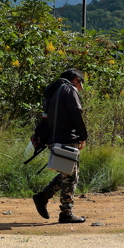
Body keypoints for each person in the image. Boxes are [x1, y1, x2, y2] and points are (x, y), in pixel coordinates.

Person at [32, 68, 88, 223]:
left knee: (67, 172)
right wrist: (83, 136)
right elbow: (76, 113)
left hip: (54, 137)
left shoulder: (54, 90)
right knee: (71, 176)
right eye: (80, 83)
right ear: (76, 79)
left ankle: (43, 197)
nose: (80, 88)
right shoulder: (69, 90)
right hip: (67, 138)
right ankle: (66, 213)